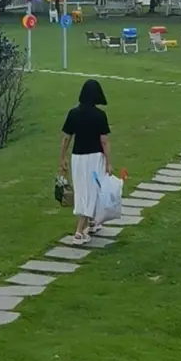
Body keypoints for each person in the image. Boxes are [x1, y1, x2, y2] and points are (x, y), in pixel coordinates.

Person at [60, 79, 111, 246]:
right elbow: (104, 141)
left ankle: (93, 222)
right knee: (93, 190)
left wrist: (63, 157)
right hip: (95, 158)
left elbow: (66, 138)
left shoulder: (73, 113)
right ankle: (79, 232)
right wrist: (108, 162)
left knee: (83, 189)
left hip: (78, 159)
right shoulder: (100, 115)